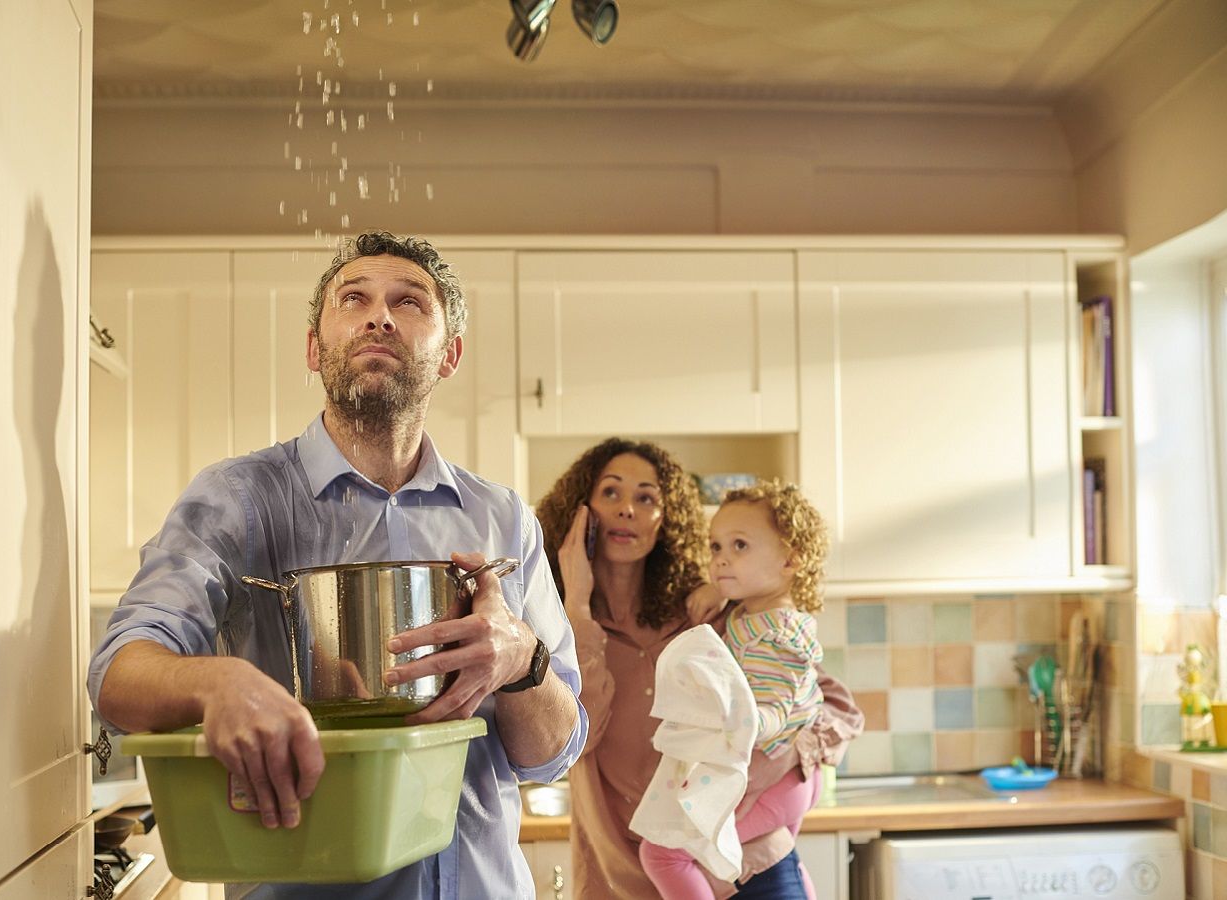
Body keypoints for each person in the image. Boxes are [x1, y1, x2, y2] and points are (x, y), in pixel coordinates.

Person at [89, 231, 586, 899]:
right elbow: (118, 675)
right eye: (354, 298)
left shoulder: (503, 518)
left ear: (450, 355)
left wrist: (521, 659)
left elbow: (553, 754)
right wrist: (219, 683)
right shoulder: (239, 500)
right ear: (313, 347)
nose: (379, 314)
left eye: (409, 303)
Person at [535, 446, 861, 899]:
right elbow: (569, 742)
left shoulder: (709, 613)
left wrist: (773, 756)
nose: (629, 508)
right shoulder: (555, 628)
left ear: (667, 520)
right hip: (622, 882)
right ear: (581, 513)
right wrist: (577, 604)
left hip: (750, 868)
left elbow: (836, 707)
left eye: (647, 498)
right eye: (611, 492)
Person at [638, 479, 830, 899]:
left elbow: (775, 705)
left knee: (663, 853)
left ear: (790, 561)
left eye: (739, 546)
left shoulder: (774, 634)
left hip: (782, 778)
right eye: (716, 547)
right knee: (771, 855)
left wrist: (749, 722)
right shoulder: (756, 614)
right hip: (789, 776)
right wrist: (719, 592)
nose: (722, 559)